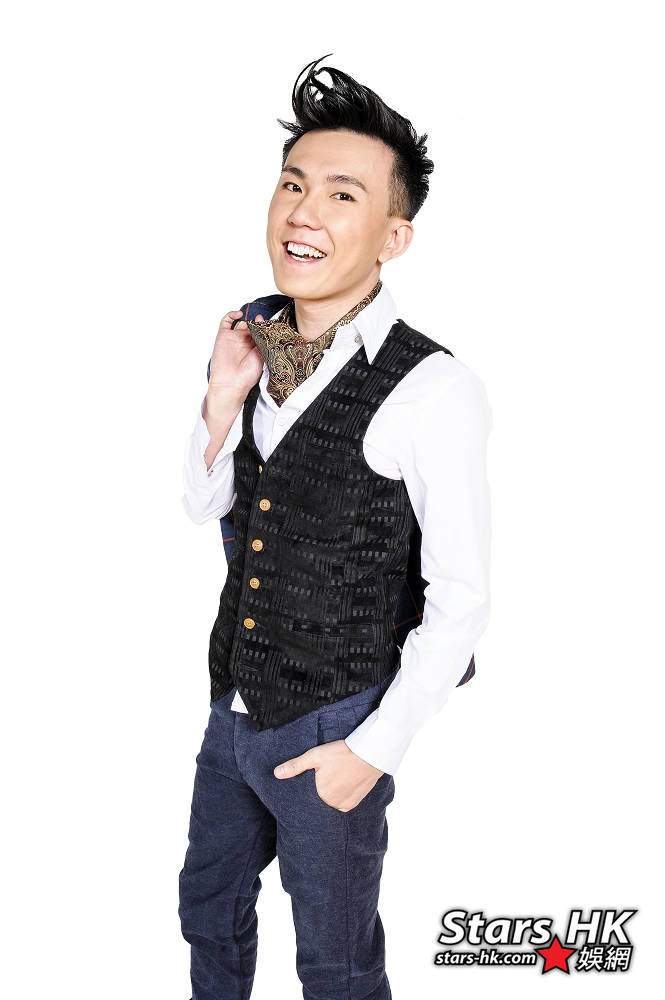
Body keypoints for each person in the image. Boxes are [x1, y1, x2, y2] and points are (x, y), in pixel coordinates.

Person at [178, 53, 493, 1000]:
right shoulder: (254, 342)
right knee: (206, 910)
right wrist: (221, 398)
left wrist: (370, 753)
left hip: (336, 724)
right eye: (292, 185)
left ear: (394, 236)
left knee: (337, 962)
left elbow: (462, 599)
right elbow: (207, 507)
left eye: (341, 194)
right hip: (233, 709)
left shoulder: (433, 388)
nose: (302, 212)